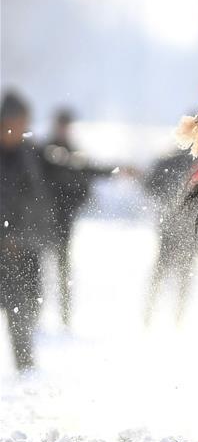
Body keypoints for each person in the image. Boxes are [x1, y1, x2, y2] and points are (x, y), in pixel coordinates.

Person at [40, 108, 121, 326]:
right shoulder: (43, 152)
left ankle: (65, 317)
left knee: (63, 268)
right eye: (61, 124)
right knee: (37, 270)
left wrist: (116, 170)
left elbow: (90, 169)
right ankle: (34, 316)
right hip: (39, 221)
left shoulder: (73, 153)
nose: (64, 129)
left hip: (64, 220)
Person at [0, 92, 50, 371]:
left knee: (24, 313)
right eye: (19, 123)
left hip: (23, 250)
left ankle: (26, 373)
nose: (21, 129)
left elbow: (63, 169)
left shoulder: (29, 153)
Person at [142, 147, 198, 326]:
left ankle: (172, 319)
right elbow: (150, 185)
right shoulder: (177, 160)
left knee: (178, 276)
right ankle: (153, 317)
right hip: (173, 227)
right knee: (169, 274)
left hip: (186, 228)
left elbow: (149, 184)